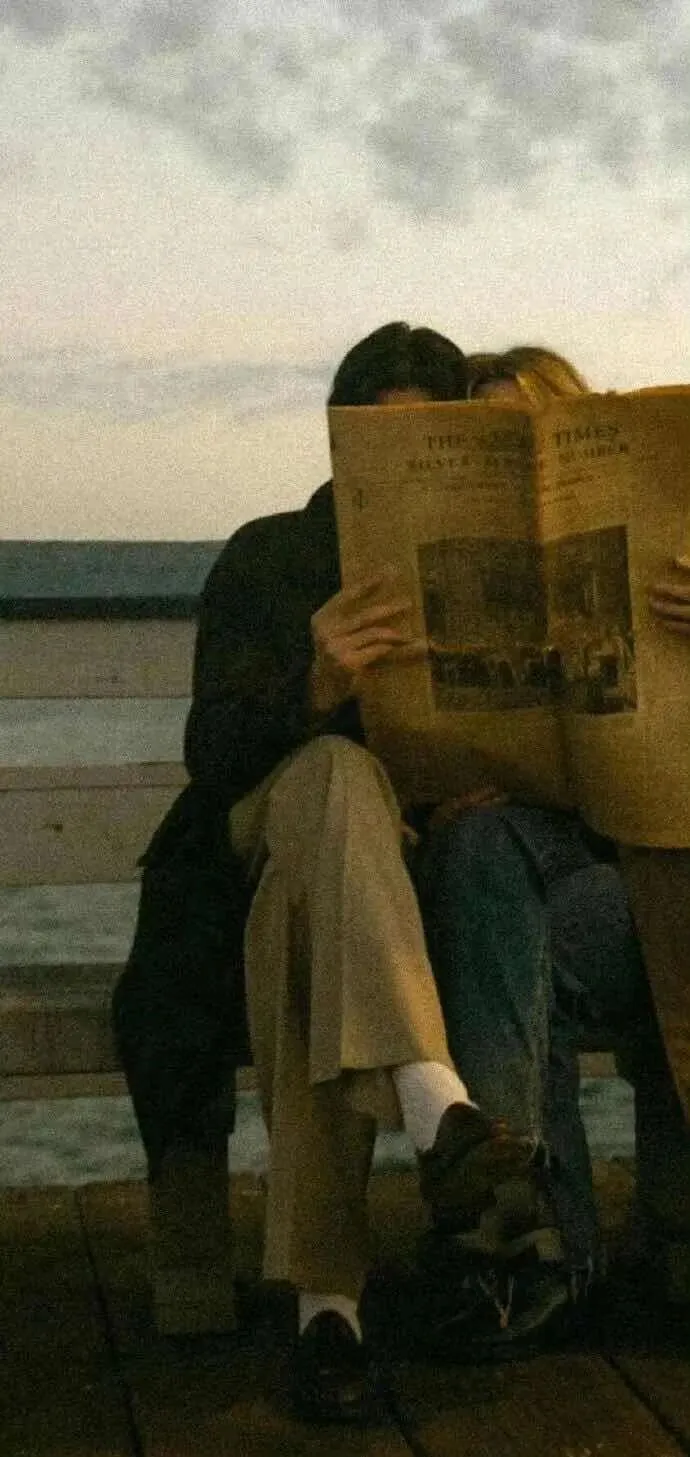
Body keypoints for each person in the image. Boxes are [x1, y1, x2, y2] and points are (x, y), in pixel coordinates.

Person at [113, 322, 536, 1425]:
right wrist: (314, 681)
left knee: (307, 936)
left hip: (349, 892)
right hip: (250, 841)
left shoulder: (482, 566)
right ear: (343, 445)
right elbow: (212, 753)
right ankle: (434, 1099)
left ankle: (328, 1314)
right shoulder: (269, 553)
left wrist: (472, 787)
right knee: (335, 774)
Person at [404, 345, 690, 1352]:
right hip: (548, 891)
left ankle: (529, 1244)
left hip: (658, 884)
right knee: (486, 858)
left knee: (506, 928)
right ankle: (538, 1231)